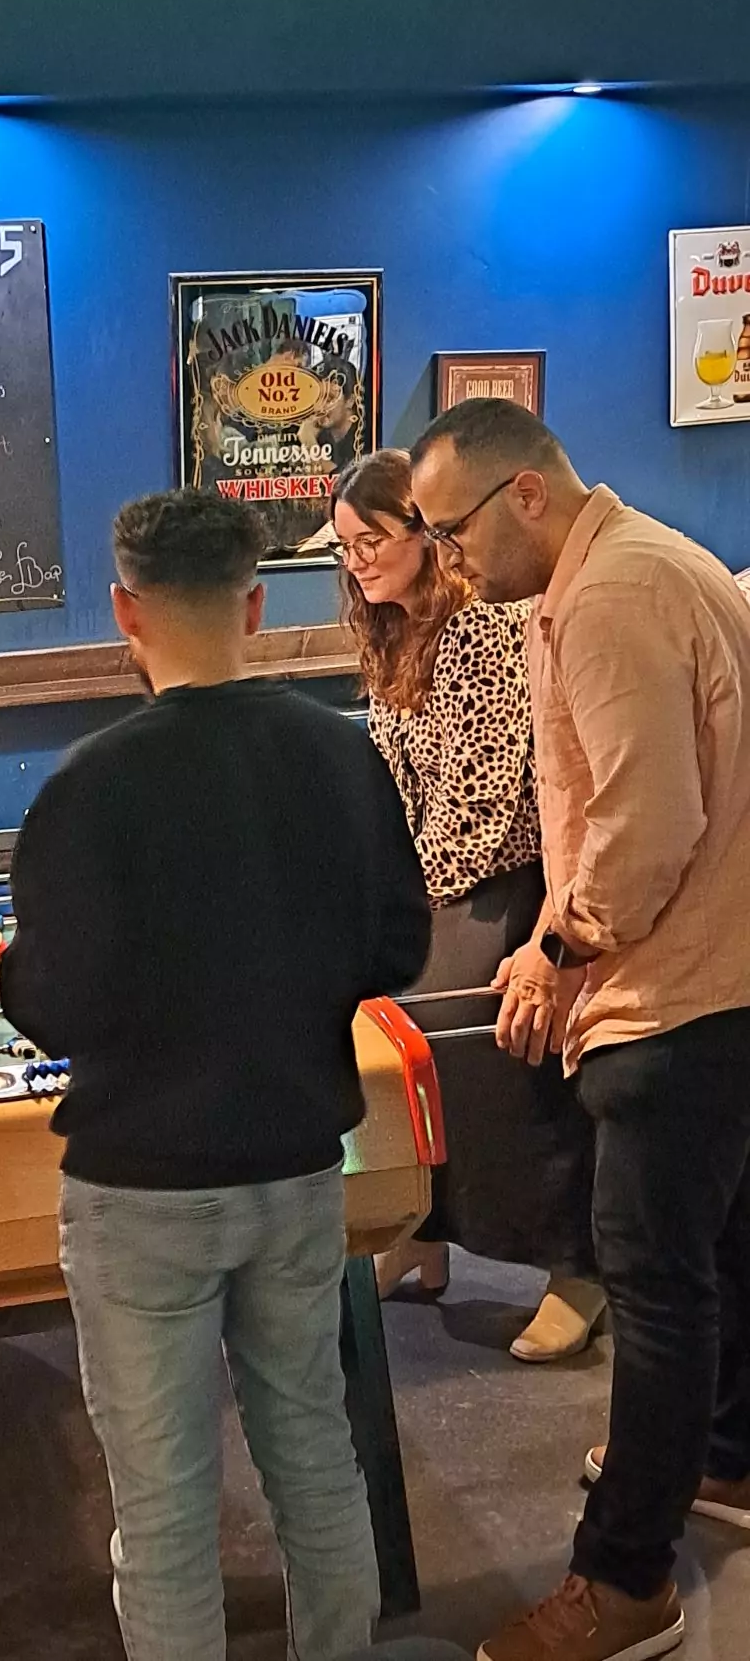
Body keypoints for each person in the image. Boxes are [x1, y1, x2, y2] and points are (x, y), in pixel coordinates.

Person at [0, 489, 431, 1661]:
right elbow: (396, 949)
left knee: (163, 1506)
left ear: (123, 610)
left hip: (137, 1190)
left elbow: (50, 1004)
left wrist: (16, 972)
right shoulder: (341, 755)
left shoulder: (87, 783)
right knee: (316, 1457)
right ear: (253, 604)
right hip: (296, 1167)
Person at [409, 398, 750, 1661]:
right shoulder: (649, 560)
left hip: (674, 1000)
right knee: (719, 1251)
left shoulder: (609, 597)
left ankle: (623, 1582)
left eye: (452, 531)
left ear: (524, 494)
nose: (449, 562)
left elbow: (642, 825)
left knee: (653, 1287)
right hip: (718, 982)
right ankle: (725, 1455)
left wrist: (556, 949)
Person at [332, 450, 601, 1362]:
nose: (358, 562)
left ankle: (578, 1268)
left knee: (474, 1038)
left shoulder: (481, 626)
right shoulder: (391, 631)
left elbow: (484, 809)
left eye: (372, 540)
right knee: (389, 1025)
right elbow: (394, 788)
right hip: (431, 878)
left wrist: (401, 895)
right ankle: (421, 1229)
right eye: (345, 548)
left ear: (425, 535)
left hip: (510, 881)